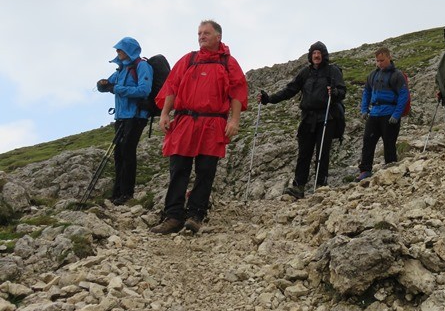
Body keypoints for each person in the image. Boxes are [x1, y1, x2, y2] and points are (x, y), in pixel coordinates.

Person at [150, 20, 248, 234]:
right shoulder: (188, 59)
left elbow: (237, 92)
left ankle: (196, 215)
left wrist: (234, 120)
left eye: (206, 33)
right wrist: (165, 113)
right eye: (199, 33)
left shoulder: (228, 63)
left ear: (218, 37)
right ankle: (173, 216)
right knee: (179, 169)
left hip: (213, 122)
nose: (201, 36)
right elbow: (172, 86)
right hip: (185, 121)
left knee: (205, 170)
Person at [260, 41, 346, 198]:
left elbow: (342, 91)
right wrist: (269, 99)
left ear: (324, 55)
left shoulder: (333, 71)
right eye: (314, 53)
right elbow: (290, 90)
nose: (316, 55)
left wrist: (334, 92)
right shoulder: (305, 73)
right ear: (310, 55)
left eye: (319, 52)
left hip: (327, 116)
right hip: (308, 118)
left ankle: (321, 185)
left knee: (322, 152)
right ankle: (299, 186)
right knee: (304, 152)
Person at [96, 37, 153, 206]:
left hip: (136, 117)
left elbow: (144, 90)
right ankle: (117, 193)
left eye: (120, 50)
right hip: (121, 117)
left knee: (127, 152)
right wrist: (101, 84)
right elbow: (106, 86)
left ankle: (127, 193)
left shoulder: (142, 66)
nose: (117, 52)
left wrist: (117, 89)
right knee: (119, 154)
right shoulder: (122, 69)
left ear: (128, 50)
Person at [357, 47, 409, 181]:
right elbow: (366, 92)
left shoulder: (397, 75)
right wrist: (364, 109)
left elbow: (404, 95)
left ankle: (391, 169)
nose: (379, 63)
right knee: (368, 142)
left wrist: (396, 115)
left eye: (382, 60)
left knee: (389, 143)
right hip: (374, 114)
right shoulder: (372, 75)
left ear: (389, 58)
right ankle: (365, 170)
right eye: (377, 61)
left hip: (389, 114)